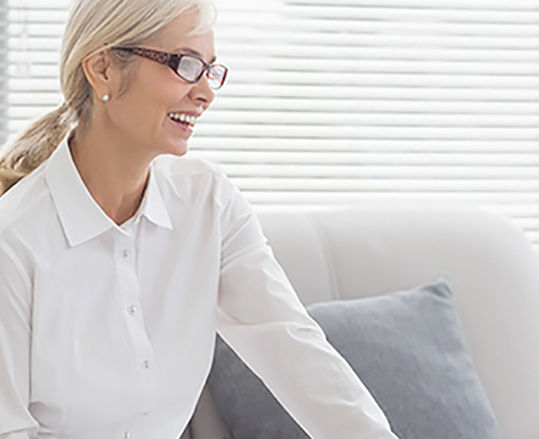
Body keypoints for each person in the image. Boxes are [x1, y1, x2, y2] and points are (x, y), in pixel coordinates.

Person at [0, 1, 399, 438]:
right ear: (102, 69)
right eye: (186, 65)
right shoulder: (14, 241)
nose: (206, 92)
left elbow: (294, 347)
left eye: (211, 70)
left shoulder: (208, 202)